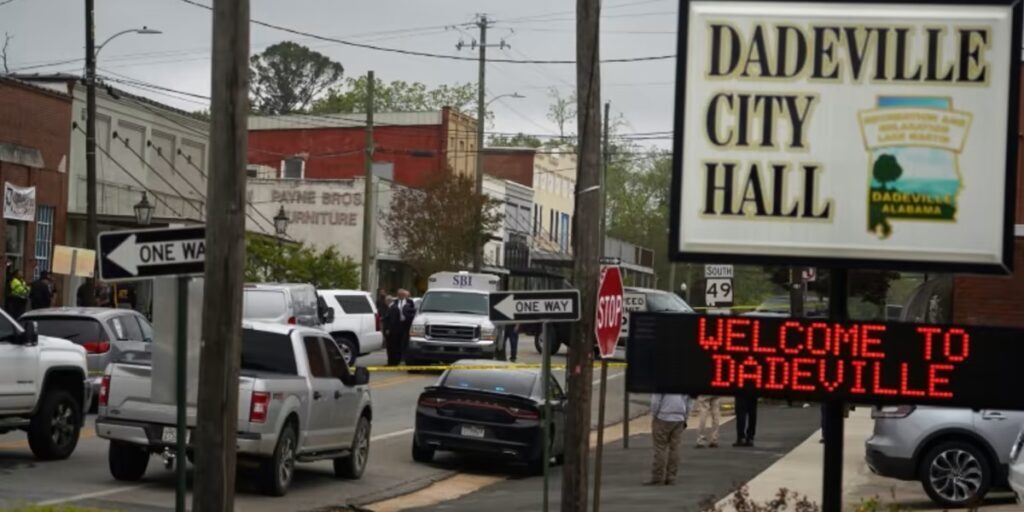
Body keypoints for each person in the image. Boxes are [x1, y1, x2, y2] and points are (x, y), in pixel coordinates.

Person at [645, 393, 691, 486]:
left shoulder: (662, 380)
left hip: (663, 416)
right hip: (679, 418)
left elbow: (655, 401)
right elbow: (689, 402)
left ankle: (658, 477)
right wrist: (685, 417)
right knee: (675, 448)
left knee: (660, 448)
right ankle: (671, 477)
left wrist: (655, 415)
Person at [383, 288, 416, 366]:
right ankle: (398, 358)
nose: (400, 296)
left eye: (402, 294)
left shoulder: (409, 302)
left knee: (404, 341)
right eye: (399, 294)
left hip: (405, 324)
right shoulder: (395, 302)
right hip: (397, 324)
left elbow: (412, 311)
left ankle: (402, 356)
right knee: (396, 343)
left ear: (404, 295)